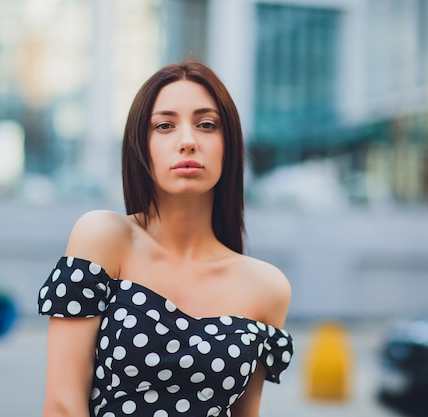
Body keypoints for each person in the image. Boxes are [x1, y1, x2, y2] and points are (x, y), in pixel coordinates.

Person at [38, 60, 293, 417]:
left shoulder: (266, 287)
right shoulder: (104, 239)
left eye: (206, 125)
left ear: (229, 145)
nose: (187, 141)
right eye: (165, 125)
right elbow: (62, 403)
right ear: (142, 145)